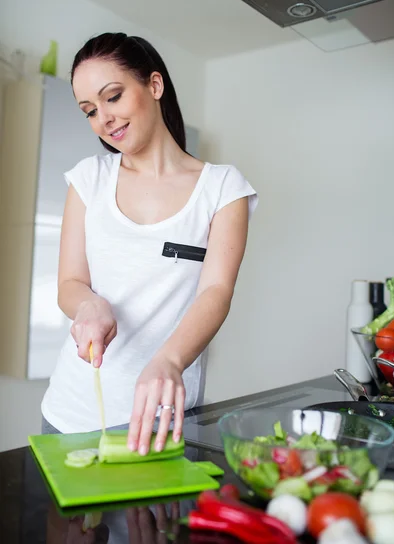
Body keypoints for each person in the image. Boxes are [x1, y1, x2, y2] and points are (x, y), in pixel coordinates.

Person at [40, 32, 258, 455]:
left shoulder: (222, 188)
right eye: (89, 110)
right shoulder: (89, 179)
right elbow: (70, 281)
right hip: (68, 415)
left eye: (113, 96)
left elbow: (216, 292)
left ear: (154, 85)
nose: (103, 118)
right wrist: (90, 305)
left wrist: (170, 360)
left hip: (161, 422)